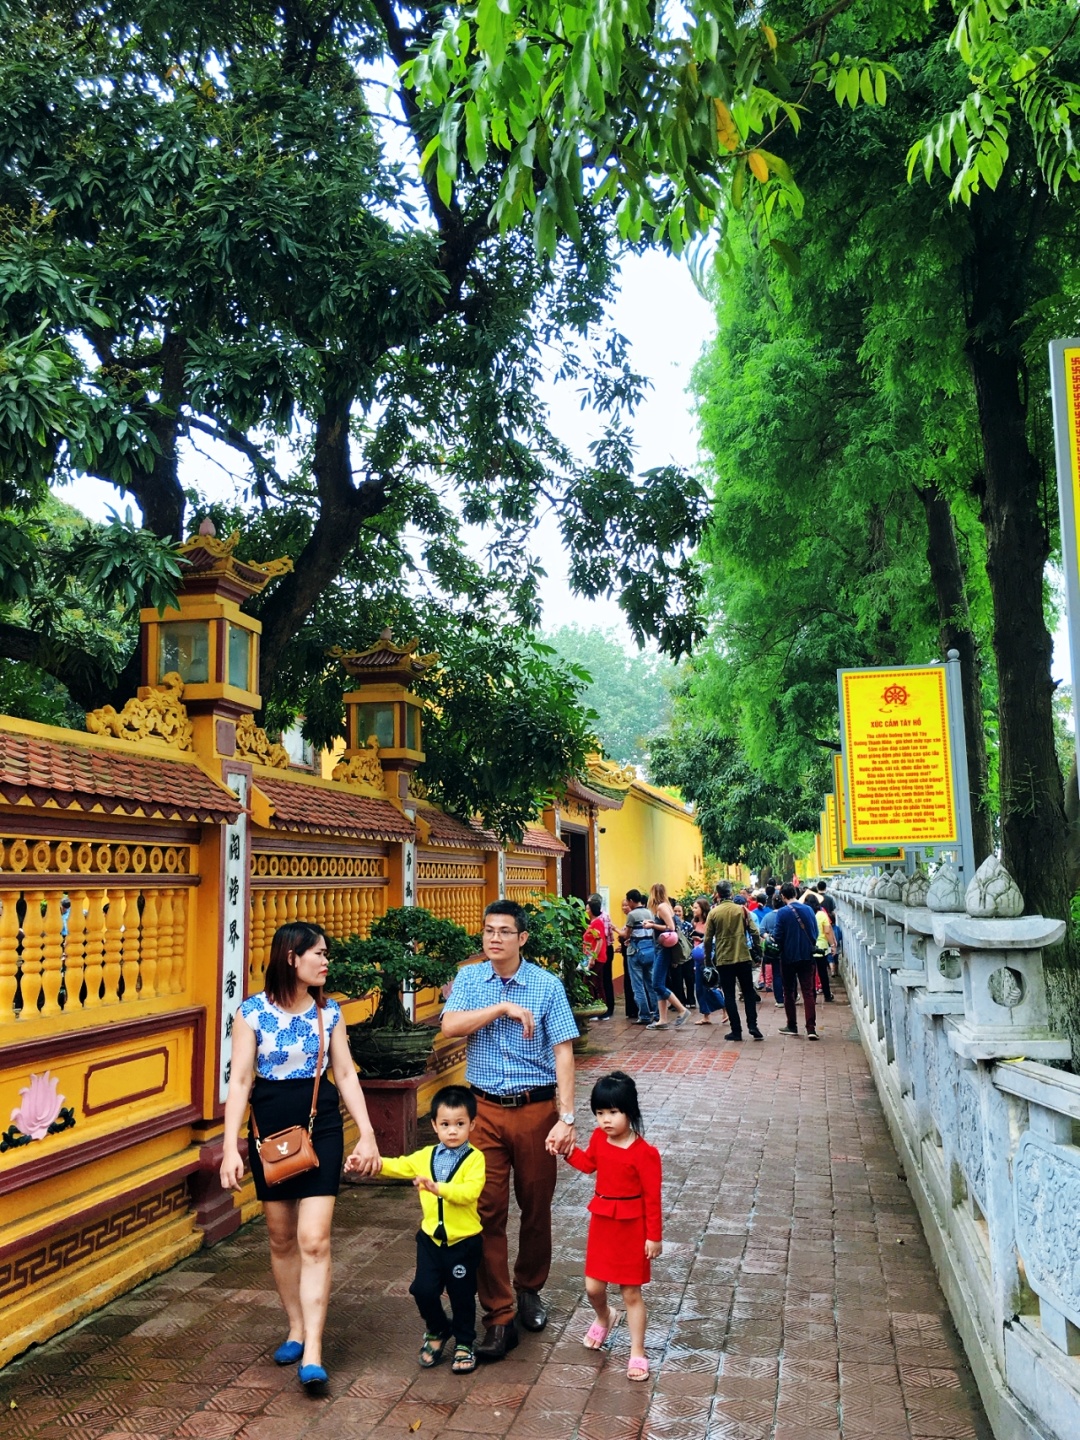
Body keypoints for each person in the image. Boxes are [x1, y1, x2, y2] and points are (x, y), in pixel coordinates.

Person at [219, 921, 381, 1391]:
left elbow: (347, 1076)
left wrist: (367, 1135)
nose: (326, 961)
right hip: (268, 1133)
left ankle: (313, 1348)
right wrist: (231, 1148)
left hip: (321, 1129)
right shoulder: (250, 1013)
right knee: (280, 1237)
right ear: (292, 957)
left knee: (314, 1239)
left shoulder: (328, 1014)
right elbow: (242, 1083)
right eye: (319, 953)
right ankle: (294, 1325)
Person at [440, 899, 579, 1361]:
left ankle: (529, 1289)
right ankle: (498, 1314)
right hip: (483, 1112)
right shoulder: (470, 980)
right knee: (485, 1208)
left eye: (504, 931)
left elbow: (563, 1052)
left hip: (536, 1111)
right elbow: (450, 1026)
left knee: (536, 1206)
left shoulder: (546, 985)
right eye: (487, 931)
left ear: (522, 938)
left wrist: (567, 1116)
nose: (493, 938)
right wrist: (499, 1007)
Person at [374, 1085, 486, 1375]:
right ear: (434, 1125)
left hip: (463, 1242)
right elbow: (398, 1166)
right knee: (422, 1289)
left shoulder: (475, 1159)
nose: (453, 1131)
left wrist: (440, 1189)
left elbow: (469, 1193)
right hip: (430, 1241)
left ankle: (464, 1342)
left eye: (460, 1124)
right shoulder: (425, 1156)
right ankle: (437, 1329)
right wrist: (372, 1164)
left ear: (472, 1124)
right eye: (446, 1124)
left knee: (462, 1295)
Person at [565, 1071, 662, 1383]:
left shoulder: (645, 1153)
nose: (606, 1120)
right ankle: (604, 1316)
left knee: (631, 1292)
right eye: (600, 1113)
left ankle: (637, 1351)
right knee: (593, 1287)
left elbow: (653, 1198)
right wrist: (565, 1151)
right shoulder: (597, 1139)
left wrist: (654, 1237)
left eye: (613, 1112)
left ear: (630, 1112)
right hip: (603, 1223)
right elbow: (588, 1164)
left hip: (633, 1228)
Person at [703, 883, 763, 1042]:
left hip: (724, 959)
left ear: (717, 894)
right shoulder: (742, 910)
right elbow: (755, 933)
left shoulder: (713, 913)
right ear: (731, 893)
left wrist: (708, 959)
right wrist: (759, 951)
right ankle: (753, 1025)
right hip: (743, 957)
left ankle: (736, 1030)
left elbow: (707, 939)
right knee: (748, 992)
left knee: (729, 995)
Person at [775, 882, 821, 1040]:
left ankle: (792, 1025)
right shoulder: (808, 909)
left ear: (782, 896)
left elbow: (778, 936)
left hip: (788, 957)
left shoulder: (782, 913)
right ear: (795, 893)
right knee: (808, 992)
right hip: (807, 955)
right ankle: (811, 1028)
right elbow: (815, 932)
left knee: (789, 991)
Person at [645, 883, 690, 1030]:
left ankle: (682, 1010)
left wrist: (652, 926)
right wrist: (653, 923)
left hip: (663, 950)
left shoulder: (662, 907)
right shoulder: (666, 906)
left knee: (657, 984)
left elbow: (670, 927)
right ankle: (662, 1020)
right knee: (660, 983)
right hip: (661, 949)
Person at [620, 889, 659, 1027]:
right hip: (649, 950)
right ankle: (657, 1013)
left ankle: (644, 1015)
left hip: (636, 953)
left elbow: (626, 934)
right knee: (651, 983)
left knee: (637, 985)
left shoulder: (632, 914)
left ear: (631, 901)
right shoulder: (649, 912)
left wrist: (620, 932)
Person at [689, 895, 726, 1025]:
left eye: (696, 907)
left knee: (710, 986)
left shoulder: (710, 922)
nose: (693, 910)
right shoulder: (694, 923)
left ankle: (725, 1008)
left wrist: (701, 938)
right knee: (699, 988)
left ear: (702, 908)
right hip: (697, 958)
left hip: (708, 957)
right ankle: (706, 1015)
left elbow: (712, 938)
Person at [583, 893, 615, 1019]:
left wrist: (592, 958)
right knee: (596, 982)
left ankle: (597, 1010)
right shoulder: (593, 922)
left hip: (595, 957)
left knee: (591, 982)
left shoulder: (597, 922)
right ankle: (599, 1010)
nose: (585, 910)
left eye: (587, 908)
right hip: (590, 955)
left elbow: (600, 940)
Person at [803, 890, 836, 1001]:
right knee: (823, 973)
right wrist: (832, 945)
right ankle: (827, 995)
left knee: (810, 974)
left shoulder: (804, 914)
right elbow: (827, 931)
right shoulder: (822, 914)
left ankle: (812, 996)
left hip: (808, 947)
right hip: (821, 947)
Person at [757, 892, 785, 1007]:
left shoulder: (768, 917)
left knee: (776, 974)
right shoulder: (786, 915)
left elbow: (761, 931)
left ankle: (779, 1000)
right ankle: (792, 996)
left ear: (773, 903)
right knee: (789, 973)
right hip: (786, 948)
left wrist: (769, 938)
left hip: (773, 950)